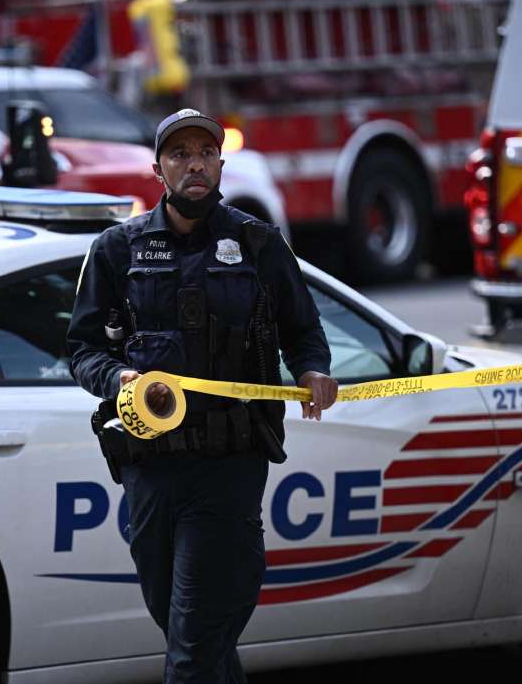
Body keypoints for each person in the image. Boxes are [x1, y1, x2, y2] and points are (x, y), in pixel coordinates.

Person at [66, 108, 338, 683]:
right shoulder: (118, 251)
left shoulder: (258, 244)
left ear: (220, 162)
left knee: (191, 646)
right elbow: (83, 350)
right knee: (190, 632)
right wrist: (118, 380)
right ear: (158, 168)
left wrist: (313, 371)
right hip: (151, 470)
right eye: (180, 154)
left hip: (229, 469)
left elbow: (305, 332)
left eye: (206, 153)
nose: (195, 164)